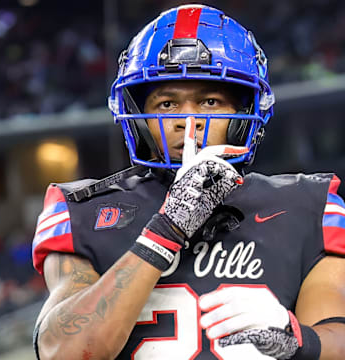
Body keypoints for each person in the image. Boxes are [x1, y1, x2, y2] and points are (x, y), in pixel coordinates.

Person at [32, 4, 345, 360]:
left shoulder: (308, 204)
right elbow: (63, 352)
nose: (188, 121)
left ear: (245, 113)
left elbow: (337, 337)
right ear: (137, 114)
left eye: (210, 101)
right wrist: (167, 229)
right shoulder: (85, 210)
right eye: (166, 104)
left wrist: (297, 339)